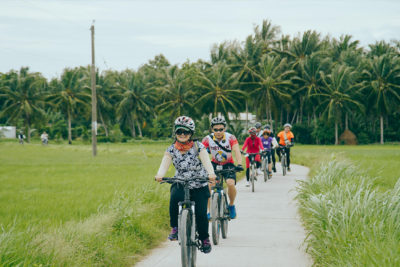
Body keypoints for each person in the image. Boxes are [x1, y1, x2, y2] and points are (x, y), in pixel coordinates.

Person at [155, 116, 216, 254]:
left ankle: (204, 238)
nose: (182, 134)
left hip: (199, 181)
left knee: (201, 213)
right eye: (179, 131)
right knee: (174, 199)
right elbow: (165, 163)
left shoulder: (198, 146)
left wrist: (211, 174)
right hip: (181, 182)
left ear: (191, 133)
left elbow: (206, 161)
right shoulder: (171, 149)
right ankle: (175, 228)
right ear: (175, 133)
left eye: (186, 132)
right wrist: (159, 175)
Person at [202, 117, 243, 219]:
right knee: (209, 186)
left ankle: (231, 205)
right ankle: (209, 211)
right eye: (216, 130)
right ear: (212, 129)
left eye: (221, 129)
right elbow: (201, 152)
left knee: (230, 183)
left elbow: (236, 151)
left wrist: (239, 164)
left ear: (224, 129)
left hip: (228, 164)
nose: (219, 132)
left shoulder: (231, 138)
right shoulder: (207, 139)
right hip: (214, 164)